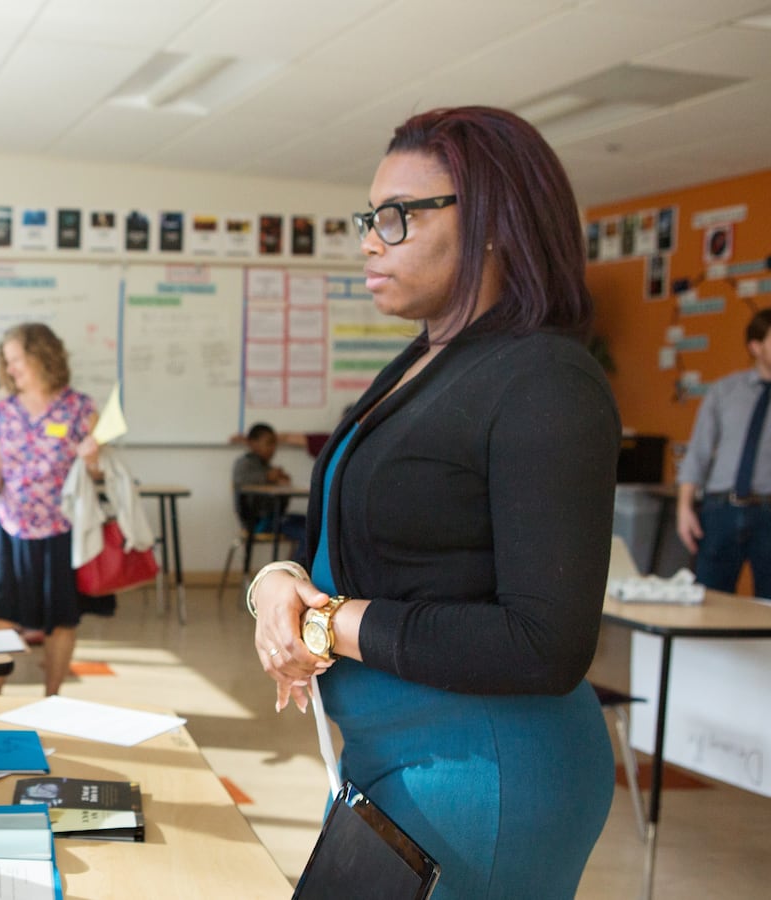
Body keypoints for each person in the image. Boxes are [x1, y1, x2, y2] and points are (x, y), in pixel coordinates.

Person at [247, 106, 619, 899]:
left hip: (485, 768)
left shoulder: (546, 379)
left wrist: (324, 622)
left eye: (396, 217)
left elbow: (544, 642)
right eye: (368, 218)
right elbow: (341, 543)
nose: (369, 240)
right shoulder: (423, 360)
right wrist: (276, 583)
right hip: (390, 756)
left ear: (492, 220)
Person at [0, 323, 101, 696]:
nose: (10, 369)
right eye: (6, 362)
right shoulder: (4, 411)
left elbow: (98, 475)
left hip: (61, 530)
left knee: (61, 620)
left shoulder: (79, 408)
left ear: (43, 356)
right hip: (11, 529)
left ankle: (52, 696)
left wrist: (93, 458)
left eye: (16, 360)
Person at [675, 308, 771, 593]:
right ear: (756, 346)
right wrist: (684, 507)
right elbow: (698, 453)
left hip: (768, 512)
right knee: (708, 597)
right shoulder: (724, 391)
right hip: (720, 510)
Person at [232, 422, 306, 545]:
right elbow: (243, 482)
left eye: (274, 444)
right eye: (269, 443)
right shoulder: (244, 464)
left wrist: (283, 484)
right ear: (252, 443)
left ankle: (298, 562)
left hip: (274, 518)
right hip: (258, 522)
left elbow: (280, 503)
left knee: (312, 524)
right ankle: (299, 563)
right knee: (305, 533)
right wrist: (268, 477)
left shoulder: (266, 466)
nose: (273, 448)